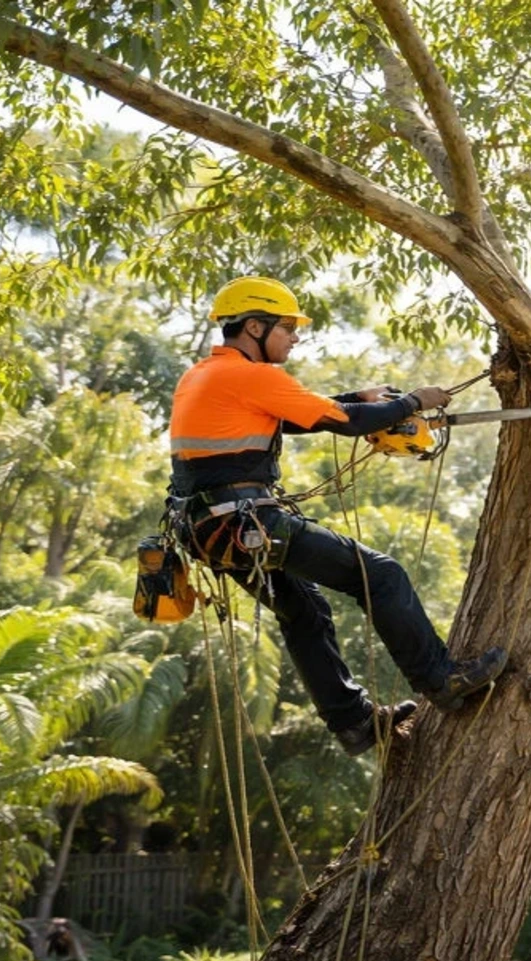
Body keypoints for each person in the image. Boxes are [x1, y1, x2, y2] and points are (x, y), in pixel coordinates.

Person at [167, 275, 506, 756]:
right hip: (245, 524)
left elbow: (299, 415)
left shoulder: (203, 375)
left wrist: (360, 398)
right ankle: (440, 678)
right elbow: (345, 425)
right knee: (380, 575)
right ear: (255, 327)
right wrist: (411, 402)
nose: (295, 336)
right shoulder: (252, 376)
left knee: (304, 611)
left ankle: (354, 725)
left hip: (209, 531)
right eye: (287, 327)